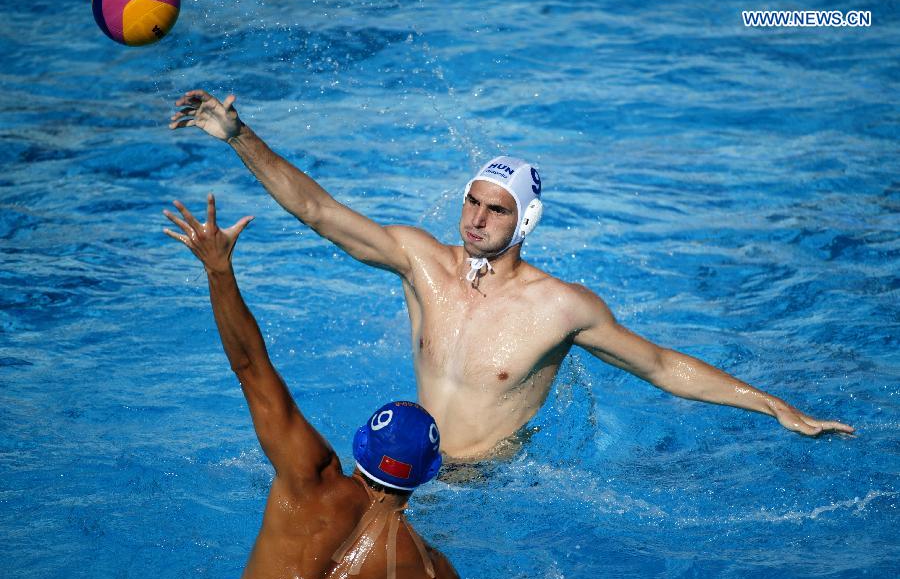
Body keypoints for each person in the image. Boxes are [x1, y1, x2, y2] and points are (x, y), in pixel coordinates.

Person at [169, 91, 855, 459]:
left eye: (495, 210)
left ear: (523, 223)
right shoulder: (420, 262)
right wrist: (240, 138)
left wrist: (772, 404)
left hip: (488, 487)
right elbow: (318, 211)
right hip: (408, 471)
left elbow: (661, 366)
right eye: (471, 201)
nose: (474, 218)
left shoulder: (559, 308)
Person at [162, 195, 461, 579]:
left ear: (360, 448)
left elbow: (249, 366)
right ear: (428, 475)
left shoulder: (311, 477)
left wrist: (218, 268)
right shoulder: (428, 569)